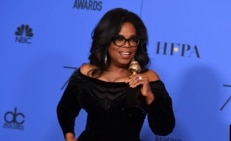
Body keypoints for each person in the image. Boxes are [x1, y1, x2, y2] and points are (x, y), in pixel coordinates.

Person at [57, 8, 175, 141]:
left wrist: (149, 97)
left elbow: (164, 129)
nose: (127, 46)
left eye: (132, 40)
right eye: (119, 39)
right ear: (106, 41)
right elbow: (65, 108)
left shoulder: (149, 78)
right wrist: (69, 136)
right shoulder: (86, 73)